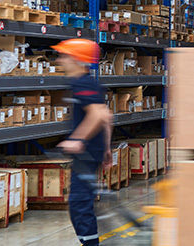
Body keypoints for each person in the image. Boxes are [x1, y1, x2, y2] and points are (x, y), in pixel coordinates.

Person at [52, 38, 114, 246]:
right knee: (82, 203)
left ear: (76, 59)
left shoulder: (82, 83)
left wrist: (77, 140)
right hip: (92, 151)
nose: (60, 61)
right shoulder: (88, 82)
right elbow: (107, 116)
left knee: (79, 205)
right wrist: (106, 149)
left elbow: (97, 115)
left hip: (86, 153)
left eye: (64, 56)